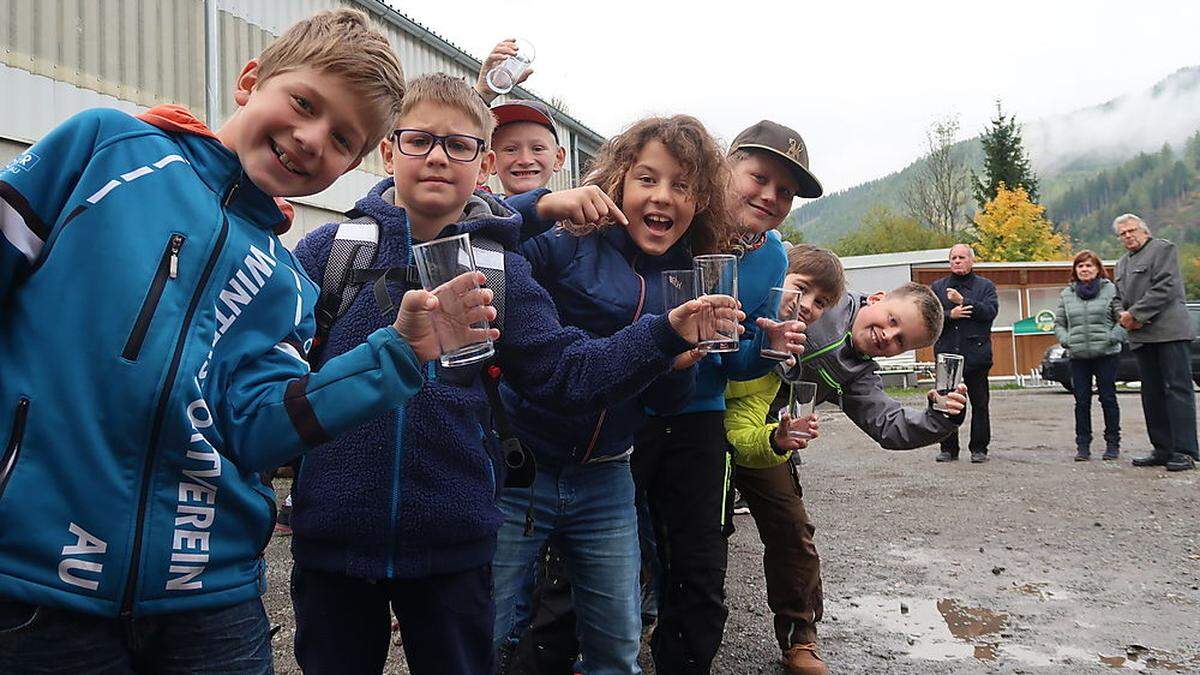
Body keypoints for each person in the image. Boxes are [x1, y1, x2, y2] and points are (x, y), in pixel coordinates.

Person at [0, 9, 471, 673]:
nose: (312, 139)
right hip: (37, 594)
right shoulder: (106, 148)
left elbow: (255, 428)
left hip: (212, 603)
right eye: (303, 103)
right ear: (251, 80)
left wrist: (397, 352)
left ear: (354, 166)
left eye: (341, 139)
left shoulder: (290, 282)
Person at [287, 74, 734, 675]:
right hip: (333, 544)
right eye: (420, 140)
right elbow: (268, 379)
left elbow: (570, 372)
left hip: (455, 547)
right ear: (388, 151)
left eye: (461, 145)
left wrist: (665, 332)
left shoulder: (500, 271)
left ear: (485, 164)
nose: (440, 156)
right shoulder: (328, 252)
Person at [492, 115, 800, 674]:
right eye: (648, 180)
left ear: (699, 196)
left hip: (623, 455)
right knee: (503, 620)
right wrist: (540, 207)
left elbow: (698, 371)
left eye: (681, 186)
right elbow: (481, 241)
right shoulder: (569, 242)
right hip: (532, 459)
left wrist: (714, 354)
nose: (663, 197)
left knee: (639, 620)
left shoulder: (710, 268)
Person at [632, 119, 820, 674]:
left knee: (701, 567)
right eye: (759, 177)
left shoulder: (775, 260)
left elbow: (731, 365)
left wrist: (767, 347)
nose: (770, 196)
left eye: (784, 192)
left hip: (700, 417)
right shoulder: (678, 221)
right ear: (726, 169)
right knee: (613, 551)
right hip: (631, 407)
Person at [727, 279, 967, 675]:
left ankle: (800, 639)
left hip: (770, 437)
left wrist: (941, 418)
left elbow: (889, 426)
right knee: (683, 523)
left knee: (792, 529)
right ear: (875, 300)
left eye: (900, 341)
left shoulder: (858, 375)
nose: (886, 335)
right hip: (711, 402)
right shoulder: (822, 298)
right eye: (891, 319)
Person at [723, 244, 841, 675]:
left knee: (792, 524)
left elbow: (742, 422)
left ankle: (800, 636)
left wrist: (775, 438)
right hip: (679, 426)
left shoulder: (789, 347)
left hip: (748, 431)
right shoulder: (736, 294)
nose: (808, 306)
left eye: (821, 303)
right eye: (803, 289)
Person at [1112, 213, 1198, 472]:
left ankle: (1185, 451)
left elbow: (1166, 286)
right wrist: (1122, 316)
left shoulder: (1163, 249)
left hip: (1169, 332)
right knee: (1151, 393)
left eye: (1132, 230)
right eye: (1123, 233)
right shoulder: (1121, 264)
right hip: (1141, 337)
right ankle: (1162, 449)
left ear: (1144, 231)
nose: (1128, 236)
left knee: (1177, 389)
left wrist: (1135, 314)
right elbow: (1116, 297)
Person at [1053, 250, 1125, 461]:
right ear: (1075, 270)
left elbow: (1122, 318)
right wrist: (1066, 340)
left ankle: (1112, 443)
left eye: (1089, 265)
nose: (1085, 269)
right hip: (1078, 356)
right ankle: (1083, 446)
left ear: (1098, 268)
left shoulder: (1111, 290)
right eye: (1080, 266)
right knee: (1081, 401)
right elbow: (1059, 323)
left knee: (1108, 398)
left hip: (1107, 354)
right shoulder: (1067, 293)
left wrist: (1113, 337)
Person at [931, 244, 998, 463]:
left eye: (961, 257)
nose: (957, 261)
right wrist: (952, 313)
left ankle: (979, 449)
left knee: (980, 404)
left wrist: (965, 302)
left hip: (976, 356)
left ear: (971, 260)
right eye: (953, 258)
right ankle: (948, 448)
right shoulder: (939, 287)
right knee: (946, 404)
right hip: (947, 355)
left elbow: (990, 312)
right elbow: (929, 316)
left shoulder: (985, 286)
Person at [490, 99, 566, 205]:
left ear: (558, 158)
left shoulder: (575, 219)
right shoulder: (472, 213)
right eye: (510, 150)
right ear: (490, 161)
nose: (525, 160)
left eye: (537, 149)